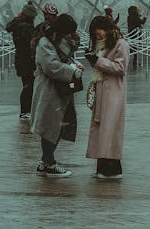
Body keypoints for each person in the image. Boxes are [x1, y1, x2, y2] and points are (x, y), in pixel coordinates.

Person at [31, 13, 84, 178]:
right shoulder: (45, 42)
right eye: (68, 32)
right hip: (50, 91)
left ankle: (45, 161)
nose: (70, 35)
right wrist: (72, 71)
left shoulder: (55, 40)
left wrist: (74, 64)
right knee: (50, 127)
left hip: (60, 89)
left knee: (56, 126)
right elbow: (50, 66)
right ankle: (49, 164)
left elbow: (63, 59)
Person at [84, 15, 129, 180]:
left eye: (100, 32)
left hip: (113, 92)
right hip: (103, 89)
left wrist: (97, 60)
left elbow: (121, 67)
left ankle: (112, 168)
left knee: (110, 129)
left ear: (108, 29)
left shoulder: (121, 44)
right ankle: (103, 166)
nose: (98, 36)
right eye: (95, 34)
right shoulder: (103, 45)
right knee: (102, 128)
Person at [5, 2, 38, 120]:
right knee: (28, 85)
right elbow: (30, 45)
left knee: (27, 85)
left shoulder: (17, 24)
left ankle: (26, 110)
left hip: (20, 58)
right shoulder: (26, 27)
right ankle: (25, 111)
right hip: (27, 60)